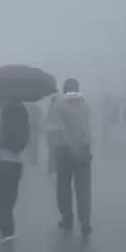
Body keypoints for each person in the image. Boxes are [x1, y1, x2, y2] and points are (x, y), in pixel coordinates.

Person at [0, 96, 43, 243]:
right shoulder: (19, 108)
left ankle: (6, 231)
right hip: (15, 160)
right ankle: (7, 224)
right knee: (10, 196)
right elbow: (27, 133)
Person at [49, 78, 93, 235]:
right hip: (83, 150)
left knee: (63, 189)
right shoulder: (84, 105)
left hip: (65, 152)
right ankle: (85, 222)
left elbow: (56, 130)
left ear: (64, 89)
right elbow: (87, 129)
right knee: (84, 189)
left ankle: (67, 219)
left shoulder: (58, 105)